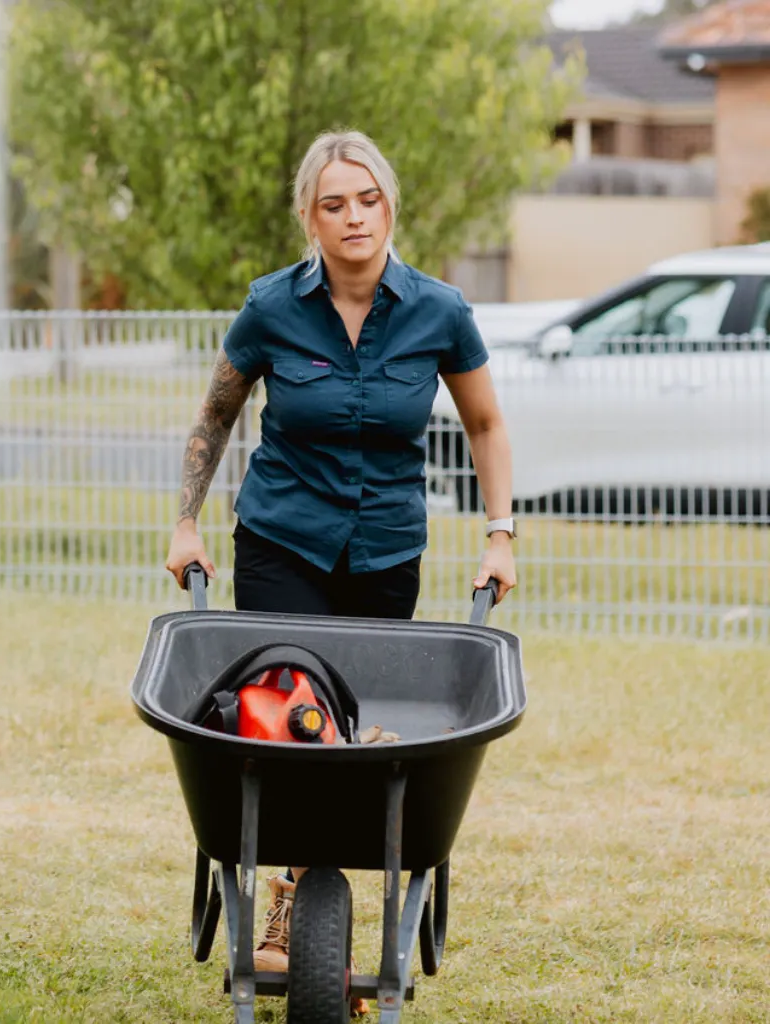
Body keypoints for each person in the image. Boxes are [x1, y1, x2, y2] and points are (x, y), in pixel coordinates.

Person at [164, 130, 517, 1006]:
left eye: (367, 199)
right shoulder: (271, 307)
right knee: (290, 717)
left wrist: (500, 531)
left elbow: (485, 426)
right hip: (282, 541)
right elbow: (216, 415)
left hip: (387, 553)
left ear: (389, 205)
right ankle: (294, 910)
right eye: (334, 204)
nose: (353, 216)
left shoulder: (440, 310)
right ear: (309, 218)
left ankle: (316, 905)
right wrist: (186, 523)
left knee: (355, 727)